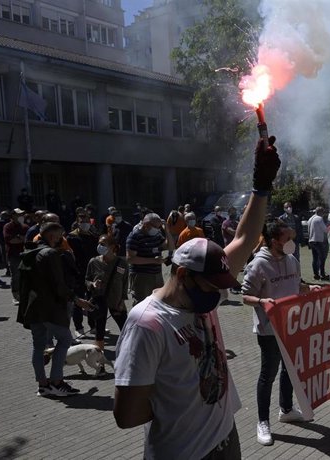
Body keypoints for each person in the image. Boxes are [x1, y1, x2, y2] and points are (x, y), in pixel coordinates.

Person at [113, 137, 281, 459]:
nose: (216, 295)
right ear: (182, 275)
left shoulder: (204, 282)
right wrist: (181, 405)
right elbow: (126, 415)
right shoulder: (147, 323)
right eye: (210, 287)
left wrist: (261, 186)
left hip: (225, 440)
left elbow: (245, 237)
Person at [242, 220, 316, 446]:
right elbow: (245, 296)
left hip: (292, 327)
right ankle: (263, 422)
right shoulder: (258, 265)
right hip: (269, 330)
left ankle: (286, 409)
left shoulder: (292, 260)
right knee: (268, 374)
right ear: (274, 241)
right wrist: (262, 301)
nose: (292, 243)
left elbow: (297, 286)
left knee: (290, 369)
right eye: (287, 239)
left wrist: (310, 289)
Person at [18, 222, 93, 397]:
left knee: (38, 346)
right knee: (65, 339)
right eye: (60, 236)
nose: (62, 239)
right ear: (52, 236)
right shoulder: (50, 253)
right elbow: (58, 284)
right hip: (49, 308)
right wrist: (76, 299)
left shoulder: (30, 252)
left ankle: (43, 385)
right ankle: (57, 382)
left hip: (33, 307)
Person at [85, 234, 129, 376]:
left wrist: (123, 299)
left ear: (112, 247)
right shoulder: (93, 262)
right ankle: (100, 365)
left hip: (116, 302)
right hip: (99, 301)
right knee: (99, 334)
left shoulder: (121, 263)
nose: (100, 246)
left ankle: (128, 360)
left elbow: (124, 283)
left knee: (127, 330)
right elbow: (86, 280)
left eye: (104, 244)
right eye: (99, 243)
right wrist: (92, 284)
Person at [126, 213, 173, 305]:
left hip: (157, 274)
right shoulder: (134, 236)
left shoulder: (157, 234)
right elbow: (130, 259)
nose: (158, 229)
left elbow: (170, 247)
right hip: (142, 276)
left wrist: (167, 231)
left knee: (158, 302)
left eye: (160, 227)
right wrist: (154, 261)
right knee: (142, 303)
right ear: (146, 224)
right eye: (156, 226)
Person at [67, 211, 100, 336]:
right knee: (78, 302)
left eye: (86, 221)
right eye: (82, 222)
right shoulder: (71, 237)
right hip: (78, 274)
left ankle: (93, 326)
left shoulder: (93, 236)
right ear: (77, 222)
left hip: (92, 274)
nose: (85, 223)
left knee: (92, 300)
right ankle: (79, 328)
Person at [4, 208, 28, 304]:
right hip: (13, 254)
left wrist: (19, 237)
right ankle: (16, 295)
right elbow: (10, 240)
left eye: (22, 214)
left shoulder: (25, 226)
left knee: (26, 275)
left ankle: (25, 294)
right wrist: (20, 238)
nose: (21, 216)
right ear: (13, 215)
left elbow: (27, 239)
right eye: (19, 214)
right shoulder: (8, 227)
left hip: (25, 254)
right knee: (16, 276)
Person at [308, 207, 328, 280]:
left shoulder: (310, 219)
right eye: (323, 212)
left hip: (311, 241)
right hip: (318, 241)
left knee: (315, 258)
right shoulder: (319, 218)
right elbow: (325, 230)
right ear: (320, 212)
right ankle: (322, 275)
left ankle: (316, 274)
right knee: (322, 258)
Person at [0, 210, 12, 277]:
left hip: (4, 242)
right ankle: (9, 270)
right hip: (9, 242)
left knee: (5, 256)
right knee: (8, 256)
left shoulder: (1, 223)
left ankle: (8, 270)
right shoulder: (11, 222)